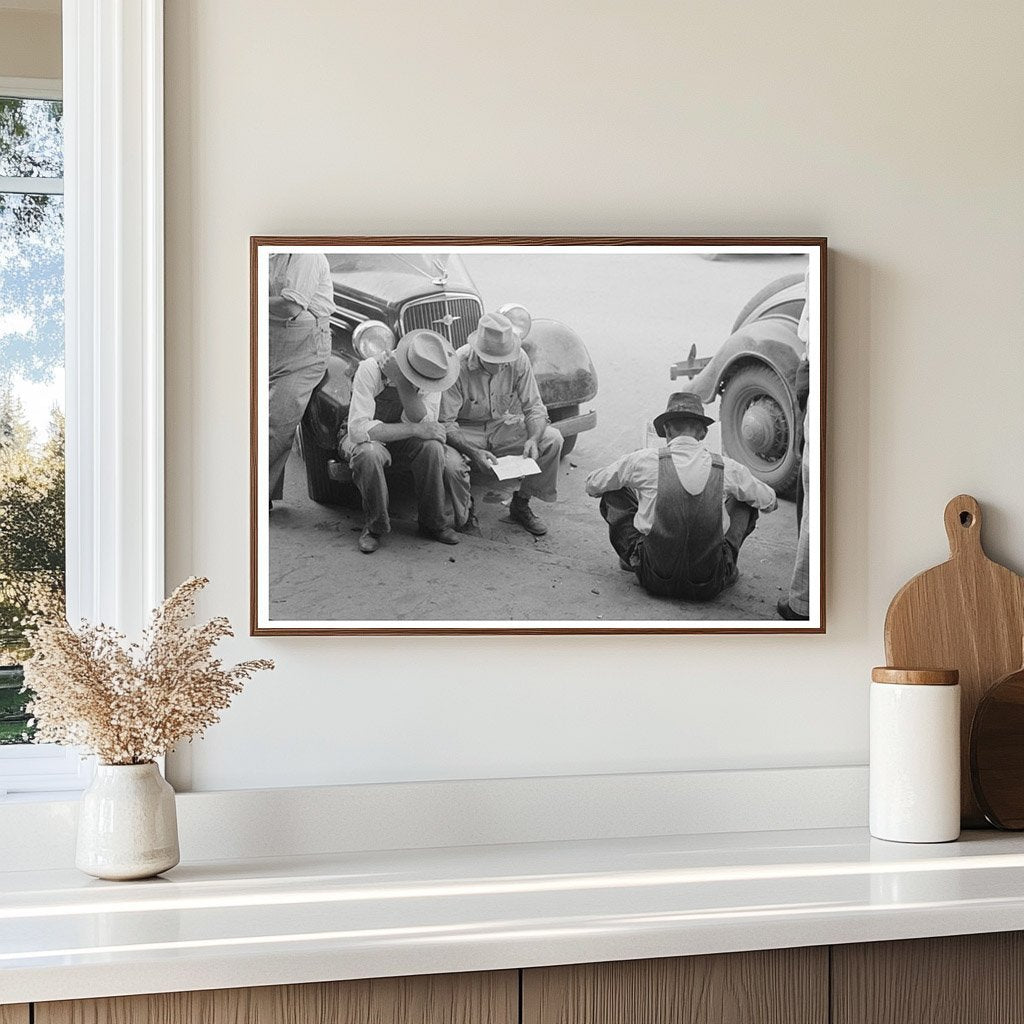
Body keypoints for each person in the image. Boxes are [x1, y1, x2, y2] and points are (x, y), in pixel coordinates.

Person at [586, 392, 778, 601]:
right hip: (709, 582)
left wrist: (637, 483)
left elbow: (593, 484)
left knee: (614, 490)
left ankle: (632, 559)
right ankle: (727, 567)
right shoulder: (728, 468)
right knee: (747, 500)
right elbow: (769, 501)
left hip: (653, 578)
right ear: (703, 433)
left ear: (667, 430)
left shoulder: (642, 460)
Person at [342, 328, 469, 553]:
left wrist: (402, 383)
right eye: (417, 378)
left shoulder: (433, 372)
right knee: (369, 454)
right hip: (363, 441)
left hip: (399, 438)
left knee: (432, 448)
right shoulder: (370, 369)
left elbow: (424, 422)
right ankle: (375, 526)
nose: (424, 384)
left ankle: (432, 522)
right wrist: (414, 428)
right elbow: (359, 430)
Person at [440, 311, 563, 536]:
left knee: (552, 439)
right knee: (452, 465)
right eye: (494, 361)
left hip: (500, 424)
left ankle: (521, 503)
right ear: (479, 353)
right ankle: (465, 512)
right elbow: (446, 424)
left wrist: (533, 438)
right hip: (464, 429)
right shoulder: (457, 364)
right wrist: (473, 452)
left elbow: (534, 408)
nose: (501, 366)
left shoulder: (519, 358)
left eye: (505, 359)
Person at [268, 252, 335, 505]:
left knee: (276, 425)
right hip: (273, 339)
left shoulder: (306, 253)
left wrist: (244, 297)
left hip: (305, 346)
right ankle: (261, 495)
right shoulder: (271, 251)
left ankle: (252, 500)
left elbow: (291, 306)